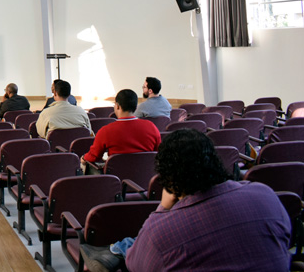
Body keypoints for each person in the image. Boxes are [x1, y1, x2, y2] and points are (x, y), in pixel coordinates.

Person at [125, 129, 290, 272]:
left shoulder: (159, 233)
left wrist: (162, 208)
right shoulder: (265, 195)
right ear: (215, 161)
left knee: (124, 246)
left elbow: (134, 265)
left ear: (168, 181)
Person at [81, 89, 160, 170]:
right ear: (136, 107)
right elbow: (158, 152)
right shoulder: (151, 127)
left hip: (116, 176)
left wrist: (83, 158)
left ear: (117, 106)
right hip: (145, 174)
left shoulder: (106, 131)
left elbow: (94, 157)